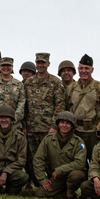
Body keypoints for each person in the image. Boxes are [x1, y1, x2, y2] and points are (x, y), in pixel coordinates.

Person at [23, 53, 66, 187]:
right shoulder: (28, 82)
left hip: (48, 128)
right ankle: (37, 183)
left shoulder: (55, 82)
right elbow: (24, 106)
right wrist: (24, 126)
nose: (40, 65)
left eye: (43, 63)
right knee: (33, 158)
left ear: (48, 64)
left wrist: (54, 126)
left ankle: (54, 184)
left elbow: (60, 106)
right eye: (38, 63)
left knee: (50, 158)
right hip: (31, 128)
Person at [33, 111, 87, 199]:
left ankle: (71, 193)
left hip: (70, 175)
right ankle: (63, 193)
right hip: (57, 178)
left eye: (68, 123)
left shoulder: (79, 142)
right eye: (62, 122)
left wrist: (59, 170)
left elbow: (80, 163)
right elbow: (38, 159)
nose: (64, 125)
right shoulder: (48, 139)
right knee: (40, 193)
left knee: (76, 175)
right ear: (58, 124)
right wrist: (43, 179)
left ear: (72, 126)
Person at [67, 54, 100, 158]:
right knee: (77, 161)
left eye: (87, 68)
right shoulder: (71, 88)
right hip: (76, 131)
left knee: (96, 160)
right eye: (81, 68)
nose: (84, 71)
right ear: (78, 69)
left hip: (94, 132)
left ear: (92, 70)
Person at [0, 57, 25, 130]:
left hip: (14, 123)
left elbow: (21, 103)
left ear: (12, 67)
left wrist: (12, 117)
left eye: (8, 66)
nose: (6, 68)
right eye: (3, 66)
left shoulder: (19, 84)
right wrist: (0, 117)